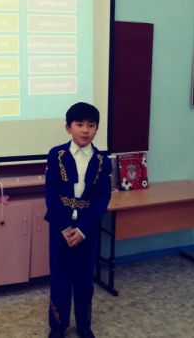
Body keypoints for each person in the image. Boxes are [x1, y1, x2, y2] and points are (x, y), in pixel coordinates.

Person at [44, 102, 112, 338]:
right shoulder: (56, 155)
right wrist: (64, 226)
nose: (85, 130)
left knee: (84, 281)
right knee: (60, 280)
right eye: (79, 124)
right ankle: (58, 325)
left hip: (87, 230)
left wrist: (83, 229)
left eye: (91, 125)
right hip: (60, 227)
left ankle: (84, 325)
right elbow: (51, 193)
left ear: (97, 129)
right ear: (68, 127)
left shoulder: (102, 160)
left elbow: (102, 198)